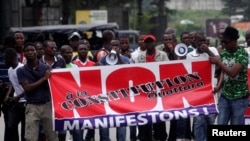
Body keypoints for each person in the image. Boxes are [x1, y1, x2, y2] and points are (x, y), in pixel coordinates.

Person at [17, 42, 59, 141]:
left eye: (32, 50)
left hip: (46, 104)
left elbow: (51, 86)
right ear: (24, 54)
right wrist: (44, 78)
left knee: (52, 136)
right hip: (32, 106)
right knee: (31, 137)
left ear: (37, 52)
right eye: (27, 51)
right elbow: (28, 88)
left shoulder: (46, 68)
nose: (30, 52)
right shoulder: (21, 70)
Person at [209, 26, 249, 125]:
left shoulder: (242, 54)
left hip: (239, 98)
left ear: (234, 41)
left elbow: (232, 73)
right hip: (225, 96)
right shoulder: (224, 53)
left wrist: (218, 62)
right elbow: (224, 71)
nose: (223, 44)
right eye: (222, 41)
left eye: (225, 42)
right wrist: (218, 87)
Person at [134, 35, 169, 141]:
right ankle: (144, 137)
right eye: (147, 42)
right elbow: (135, 72)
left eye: (151, 42)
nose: (149, 44)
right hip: (144, 93)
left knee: (159, 118)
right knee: (145, 118)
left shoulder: (162, 55)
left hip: (158, 92)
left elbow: (168, 69)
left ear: (155, 42)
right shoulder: (139, 57)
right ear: (144, 43)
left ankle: (160, 137)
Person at [186, 32, 219, 141]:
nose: (202, 43)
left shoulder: (212, 51)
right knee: (199, 120)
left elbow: (219, 63)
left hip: (211, 91)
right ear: (195, 42)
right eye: (200, 41)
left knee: (210, 120)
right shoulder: (190, 55)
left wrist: (208, 51)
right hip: (197, 92)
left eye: (204, 41)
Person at [98, 39, 130, 141]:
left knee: (121, 125)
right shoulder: (103, 59)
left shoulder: (125, 59)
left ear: (120, 47)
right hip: (106, 96)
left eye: (117, 45)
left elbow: (128, 71)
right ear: (109, 47)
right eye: (113, 45)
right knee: (105, 126)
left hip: (121, 96)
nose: (114, 47)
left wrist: (118, 56)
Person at [168, 31, 192, 141]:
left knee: (185, 115)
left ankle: (185, 136)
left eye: (188, 38)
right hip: (175, 88)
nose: (186, 39)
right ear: (181, 40)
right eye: (184, 38)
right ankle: (175, 137)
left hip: (188, 87)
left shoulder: (192, 52)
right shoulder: (175, 51)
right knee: (176, 114)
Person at [72, 42, 97, 141]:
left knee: (92, 125)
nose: (83, 51)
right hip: (77, 99)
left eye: (85, 49)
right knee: (79, 127)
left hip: (91, 100)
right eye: (81, 49)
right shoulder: (73, 64)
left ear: (88, 51)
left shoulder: (94, 64)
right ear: (77, 51)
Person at [3, 48, 26, 141]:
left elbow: (28, 88)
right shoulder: (10, 70)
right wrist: (7, 95)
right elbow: (12, 84)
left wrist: (18, 97)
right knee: (11, 126)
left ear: (11, 58)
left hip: (25, 102)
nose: (4, 61)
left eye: (5, 59)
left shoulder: (21, 69)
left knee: (25, 129)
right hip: (16, 102)